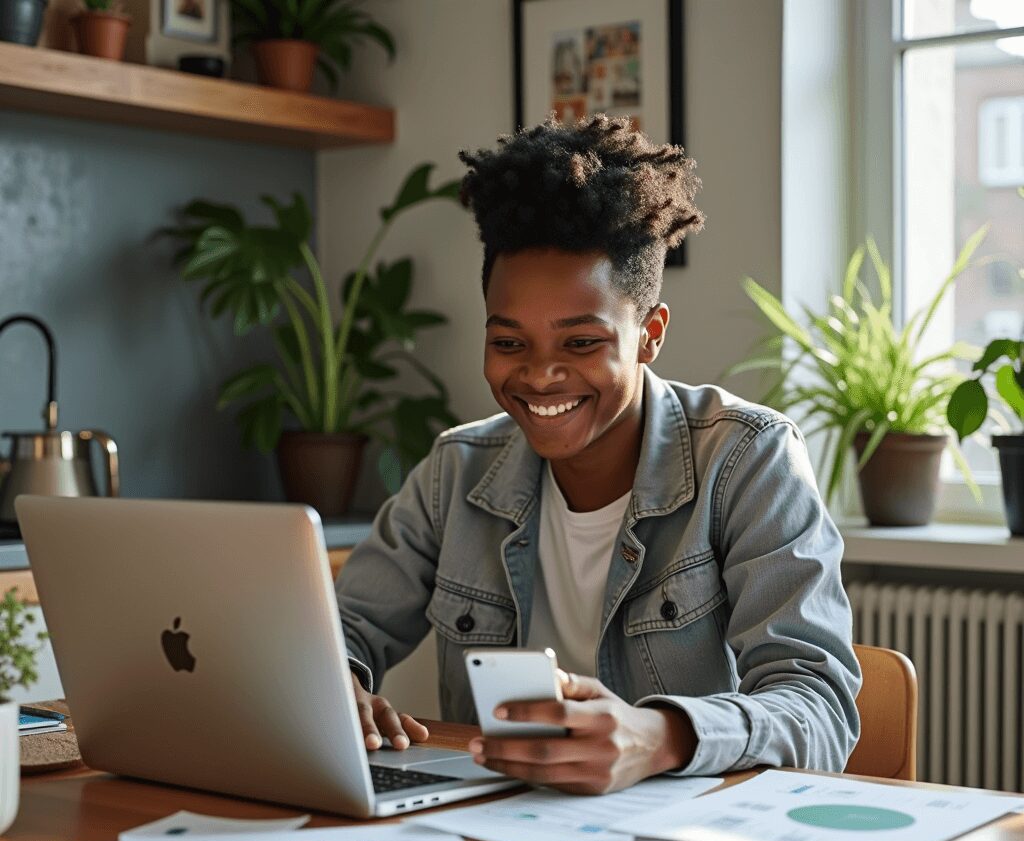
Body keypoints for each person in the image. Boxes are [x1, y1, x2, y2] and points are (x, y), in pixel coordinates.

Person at [335, 113, 861, 795]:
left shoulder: (748, 460)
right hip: (496, 836)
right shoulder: (455, 471)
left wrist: (657, 737)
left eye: (581, 343)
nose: (540, 375)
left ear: (649, 335)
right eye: (509, 343)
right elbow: (338, 632)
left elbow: (818, 707)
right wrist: (336, 686)